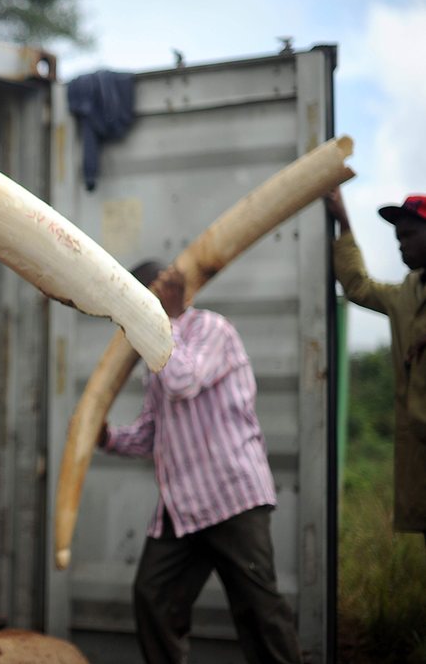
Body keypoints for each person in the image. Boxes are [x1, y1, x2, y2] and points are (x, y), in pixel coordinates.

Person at [97, 261, 301, 664]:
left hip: (230, 496)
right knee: (153, 597)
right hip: (184, 505)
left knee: (259, 612)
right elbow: (152, 433)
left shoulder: (210, 330)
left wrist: (167, 318)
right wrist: (106, 437)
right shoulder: (156, 352)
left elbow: (183, 382)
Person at [324, 187, 426, 540]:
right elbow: (358, 286)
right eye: (398, 238)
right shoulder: (407, 294)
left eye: (409, 235)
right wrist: (344, 223)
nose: (401, 245)